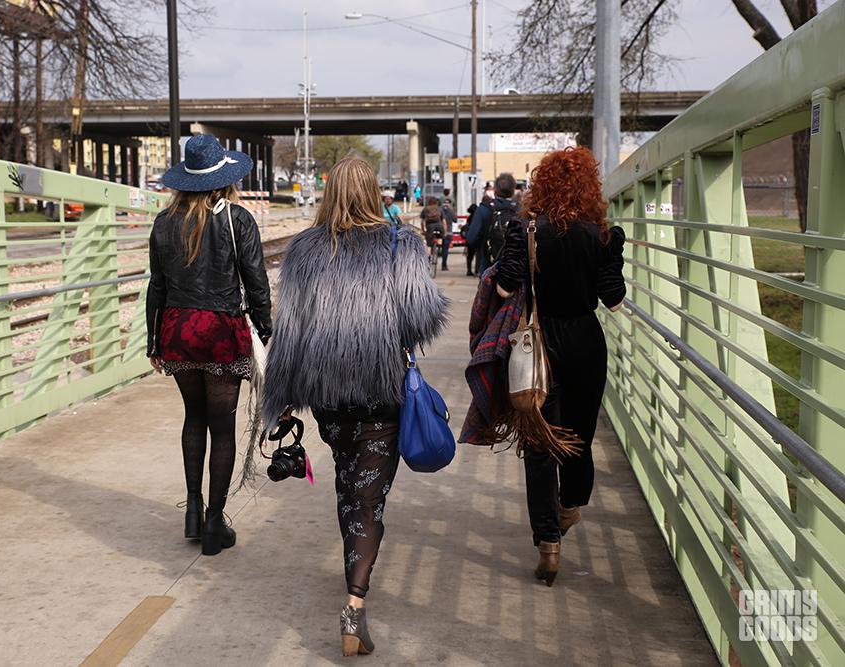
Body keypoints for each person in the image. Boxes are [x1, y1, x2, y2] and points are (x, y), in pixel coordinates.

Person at [262, 157, 448, 656]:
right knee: (368, 497)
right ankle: (354, 604)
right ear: (373, 194)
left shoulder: (304, 250)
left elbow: (289, 331)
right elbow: (424, 318)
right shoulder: (401, 244)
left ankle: (353, 566)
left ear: (329, 194)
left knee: (348, 482)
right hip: (380, 390)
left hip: (328, 396)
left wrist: (281, 398)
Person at [494, 146, 626, 585]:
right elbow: (613, 298)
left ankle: (547, 542)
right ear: (589, 188)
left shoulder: (526, 230)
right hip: (586, 342)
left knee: (539, 442)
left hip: (538, 344)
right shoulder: (601, 235)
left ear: (543, 186)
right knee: (578, 437)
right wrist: (609, 259)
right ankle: (569, 506)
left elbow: (504, 288)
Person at [146, 134, 272, 556]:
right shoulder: (239, 220)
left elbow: (157, 287)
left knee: (193, 418)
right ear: (225, 179)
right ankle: (215, 523)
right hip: (221, 332)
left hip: (178, 330)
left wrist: (153, 341)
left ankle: (192, 511)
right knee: (222, 428)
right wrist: (266, 331)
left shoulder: (164, 222)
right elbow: (257, 285)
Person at [465, 174, 520, 275]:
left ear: (495, 191)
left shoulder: (484, 209)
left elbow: (471, 238)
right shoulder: (521, 210)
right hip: (516, 269)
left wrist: (483, 246)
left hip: (489, 266)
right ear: (513, 191)